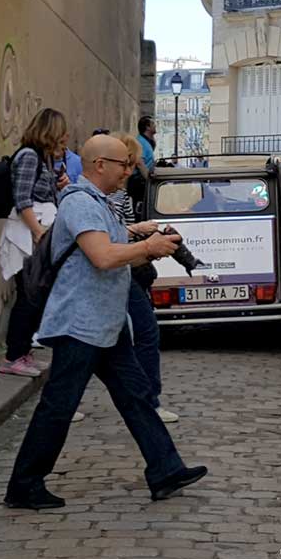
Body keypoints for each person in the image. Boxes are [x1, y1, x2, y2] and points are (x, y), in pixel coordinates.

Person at [5, 135, 207, 509]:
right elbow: (101, 256)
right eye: (123, 164)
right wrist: (147, 248)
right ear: (100, 165)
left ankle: (165, 468)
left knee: (137, 397)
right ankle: (24, 484)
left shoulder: (99, 203)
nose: (129, 170)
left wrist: (137, 232)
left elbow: (106, 242)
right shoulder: (81, 202)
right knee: (58, 406)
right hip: (80, 324)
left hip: (105, 324)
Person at [0, 108, 70, 378]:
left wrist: (58, 184)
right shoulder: (29, 157)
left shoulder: (45, 159)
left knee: (35, 296)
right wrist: (39, 232)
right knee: (27, 297)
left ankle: (23, 351)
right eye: (61, 135)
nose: (65, 140)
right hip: (26, 238)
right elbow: (23, 199)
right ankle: (13, 355)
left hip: (35, 234)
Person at [112, 132, 179, 423]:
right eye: (131, 162)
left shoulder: (121, 192)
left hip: (125, 270)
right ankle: (148, 402)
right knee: (145, 333)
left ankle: (146, 403)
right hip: (116, 272)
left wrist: (143, 238)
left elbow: (120, 231)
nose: (133, 169)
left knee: (128, 339)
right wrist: (140, 236)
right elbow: (107, 238)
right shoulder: (100, 195)